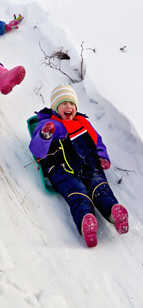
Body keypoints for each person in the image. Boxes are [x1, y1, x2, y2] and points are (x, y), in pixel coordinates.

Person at [29, 83, 129, 247]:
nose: (68, 107)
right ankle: (86, 221)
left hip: (89, 165)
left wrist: (102, 157)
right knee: (78, 193)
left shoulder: (82, 122)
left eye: (71, 104)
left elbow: (97, 141)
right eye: (63, 104)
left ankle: (113, 212)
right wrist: (45, 135)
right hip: (62, 169)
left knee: (100, 187)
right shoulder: (48, 124)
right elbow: (37, 150)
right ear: (55, 107)